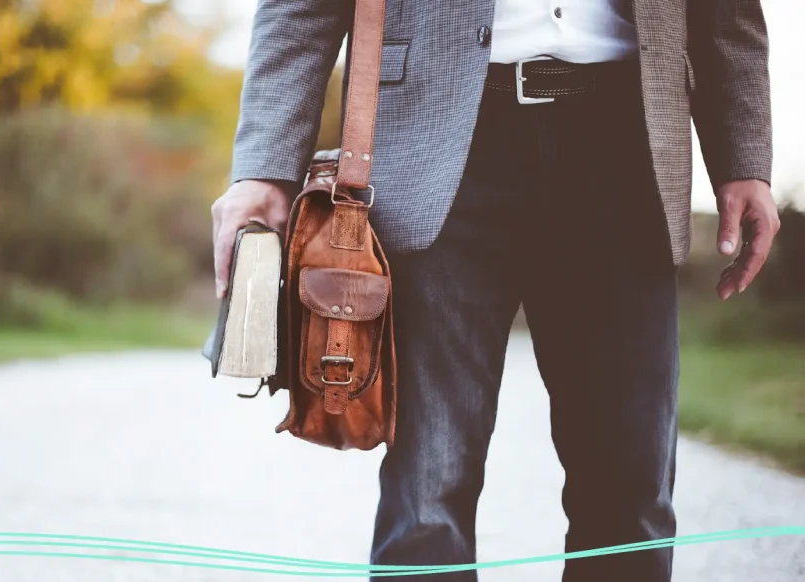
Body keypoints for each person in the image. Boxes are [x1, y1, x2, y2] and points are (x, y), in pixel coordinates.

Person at [210, 1, 780, 580]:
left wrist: (745, 158)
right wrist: (264, 168)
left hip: (628, 143)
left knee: (630, 498)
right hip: (436, 146)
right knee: (427, 499)